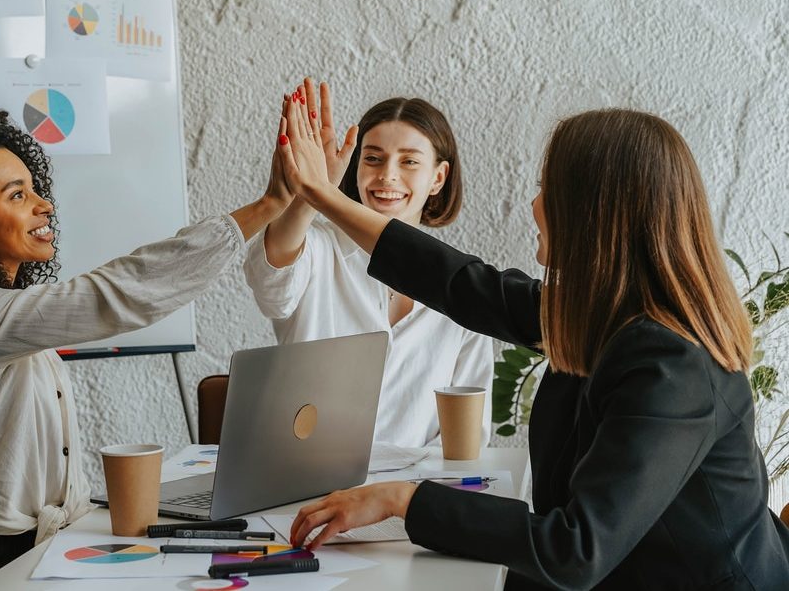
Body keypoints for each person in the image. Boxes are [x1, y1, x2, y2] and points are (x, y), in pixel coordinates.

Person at [276, 96, 789, 588]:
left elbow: (575, 551)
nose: (535, 203)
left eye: (549, 189)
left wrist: (403, 500)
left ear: (595, 214)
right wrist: (324, 196)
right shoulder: (602, 315)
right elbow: (460, 283)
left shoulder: (673, 364)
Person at [0, 104, 293, 590]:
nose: (44, 205)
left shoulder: (9, 316)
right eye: (17, 194)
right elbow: (112, 295)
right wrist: (268, 205)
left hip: (29, 550)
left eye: (35, 189)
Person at [243, 79, 492, 447]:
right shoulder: (318, 249)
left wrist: (413, 483)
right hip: (308, 476)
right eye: (373, 158)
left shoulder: (462, 284)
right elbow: (270, 282)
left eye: (409, 161)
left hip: (417, 482)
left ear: (438, 178)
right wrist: (313, 191)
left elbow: (468, 435)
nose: (387, 175)